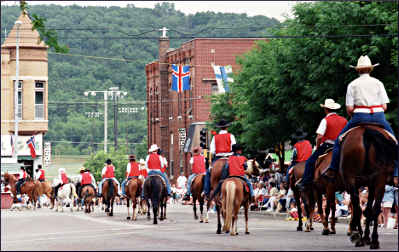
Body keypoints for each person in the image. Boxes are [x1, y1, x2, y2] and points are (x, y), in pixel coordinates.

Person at [323, 55, 397, 179]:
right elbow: (384, 107)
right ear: (370, 69)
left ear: (358, 70)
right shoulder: (378, 83)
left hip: (359, 117)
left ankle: (333, 169)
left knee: (338, 141)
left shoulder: (352, 85)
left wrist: (356, 114)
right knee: (394, 141)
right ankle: (396, 173)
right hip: (378, 117)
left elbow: (350, 109)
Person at [296, 99, 347, 191]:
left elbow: (319, 137)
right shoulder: (344, 120)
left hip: (328, 145)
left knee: (310, 162)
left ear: (326, 109)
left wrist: (318, 146)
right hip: (341, 146)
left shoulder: (325, 120)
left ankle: (305, 183)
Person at [203, 119, 236, 198]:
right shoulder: (231, 136)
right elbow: (234, 148)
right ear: (227, 127)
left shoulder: (215, 137)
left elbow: (212, 151)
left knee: (208, 173)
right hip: (229, 157)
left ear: (219, 128)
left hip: (218, 158)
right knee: (239, 172)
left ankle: (206, 192)